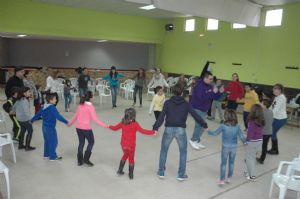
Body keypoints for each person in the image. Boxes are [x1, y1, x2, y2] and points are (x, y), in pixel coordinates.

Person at [153, 84, 208, 181]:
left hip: (169, 129)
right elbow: (195, 115)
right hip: (180, 130)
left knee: (164, 150)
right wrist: (203, 124)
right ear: (182, 93)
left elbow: (161, 116)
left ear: (173, 92)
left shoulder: (168, 103)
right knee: (183, 152)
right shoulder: (186, 104)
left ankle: (161, 172)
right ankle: (181, 175)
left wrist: (156, 127)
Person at [109, 108, 156, 180]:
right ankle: (131, 175)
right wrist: (153, 132)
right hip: (131, 146)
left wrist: (109, 126)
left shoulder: (123, 122)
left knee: (125, 155)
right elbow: (143, 131)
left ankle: (119, 170)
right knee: (131, 159)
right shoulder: (135, 124)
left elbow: (115, 128)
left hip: (123, 144)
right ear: (134, 116)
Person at [68, 91, 109, 166]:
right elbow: (95, 119)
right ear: (91, 97)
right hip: (86, 129)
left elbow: (75, 116)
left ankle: (79, 161)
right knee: (91, 142)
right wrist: (105, 125)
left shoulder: (80, 105)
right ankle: (86, 159)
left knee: (81, 143)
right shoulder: (91, 107)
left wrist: (69, 123)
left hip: (78, 128)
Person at [208, 109, 247, 185]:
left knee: (223, 164)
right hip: (234, 147)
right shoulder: (238, 126)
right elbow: (242, 136)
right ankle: (229, 178)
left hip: (225, 147)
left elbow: (215, 133)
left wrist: (208, 131)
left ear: (226, 116)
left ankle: (222, 179)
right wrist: (245, 142)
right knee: (231, 163)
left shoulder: (223, 126)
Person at [189, 72, 224, 150]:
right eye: (210, 79)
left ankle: (196, 140)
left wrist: (220, 93)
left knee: (202, 126)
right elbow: (201, 98)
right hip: (197, 108)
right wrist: (212, 92)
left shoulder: (210, 85)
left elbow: (213, 96)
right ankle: (193, 140)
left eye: (212, 79)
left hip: (204, 109)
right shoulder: (199, 85)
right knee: (200, 125)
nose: (212, 80)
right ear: (205, 78)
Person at [31, 93, 68, 161]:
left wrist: (32, 120)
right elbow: (58, 117)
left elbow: (37, 115)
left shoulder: (44, 107)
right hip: (50, 128)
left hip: (44, 127)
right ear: (50, 100)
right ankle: (53, 157)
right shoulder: (52, 107)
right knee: (54, 142)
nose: (56, 100)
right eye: (55, 99)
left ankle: (46, 155)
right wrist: (67, 122)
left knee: (47, 141)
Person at [245, 104, 265, 181]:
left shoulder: (252, 121)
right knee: (251, 156)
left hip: (252, 142)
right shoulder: (261, 120)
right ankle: (247, 171)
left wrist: (246, 140)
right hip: (259, 141)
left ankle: (252, 175)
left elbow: (250, 133)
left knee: (250, 158)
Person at [268, 84, 287, 155]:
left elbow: (275, 110)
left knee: (272, 132)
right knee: (272, 132)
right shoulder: (277, 97)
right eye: (273, 88)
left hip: (281, 119)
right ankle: (274, 149)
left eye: (275, 89)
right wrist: (266, 111)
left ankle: (275, 150)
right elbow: (272, 107)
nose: (273, 90)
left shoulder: (282, 98)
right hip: (276, 118)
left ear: (279, 90)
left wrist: (267, 115)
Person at [256, 99, 273, 164]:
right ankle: (262, 159)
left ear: (264, 106)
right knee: (264, 146)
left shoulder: (262, 113)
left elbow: (259, 124)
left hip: (262, 132)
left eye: (261, 103)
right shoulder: (271, 111)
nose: (260, 103)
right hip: (269, 132)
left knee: (255, 145)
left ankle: (251, 158)